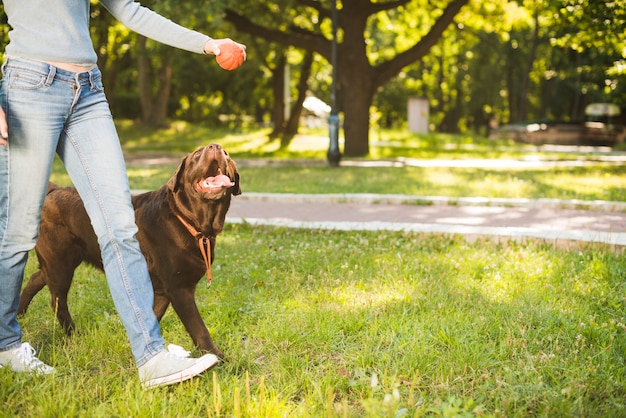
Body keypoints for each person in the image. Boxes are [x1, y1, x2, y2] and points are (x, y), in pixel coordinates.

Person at [0, 0, 246, 388]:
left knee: (119, 225)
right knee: (18, 231)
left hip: (88, 92)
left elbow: (129, 10)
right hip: (29, 85)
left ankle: (151, 356)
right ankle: (6, 344)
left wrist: (208, 43)